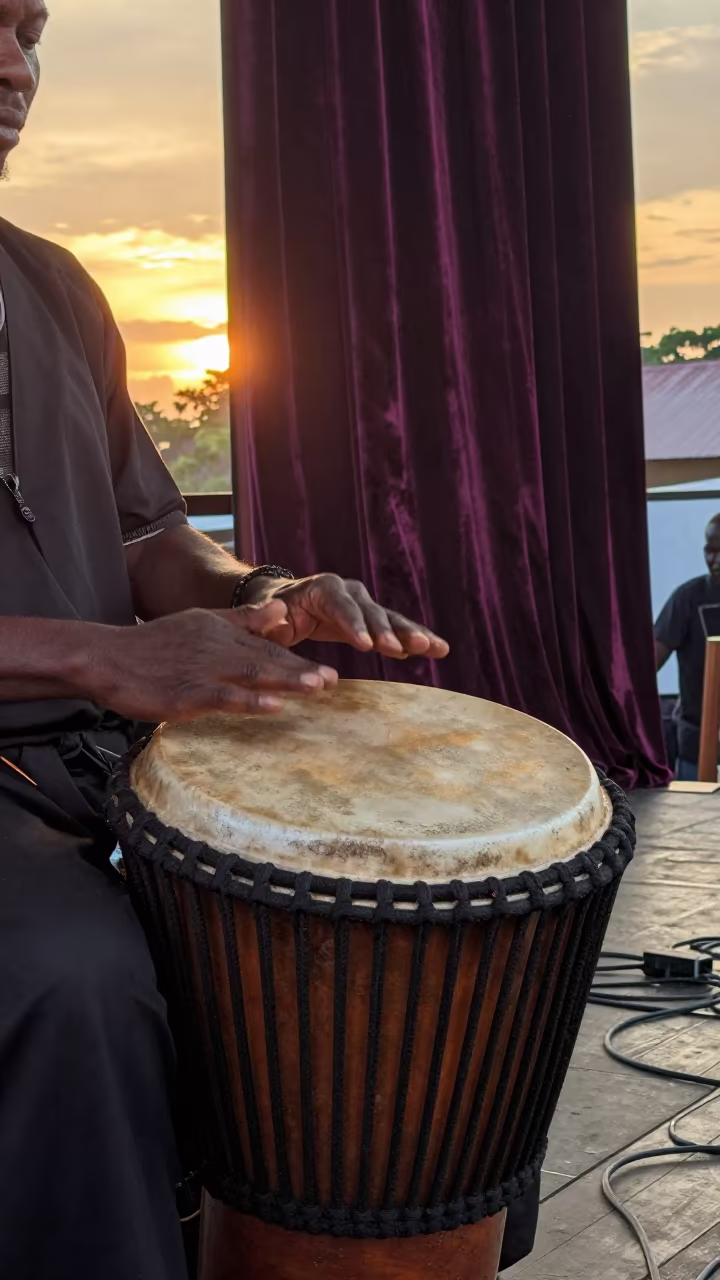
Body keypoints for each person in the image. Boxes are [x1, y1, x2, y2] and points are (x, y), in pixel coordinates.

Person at [0, 5, 454, 1278]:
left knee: (375, 897)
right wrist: (97, 657)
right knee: (72, 977)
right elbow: (114, 636)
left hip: (102, 759)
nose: (15, 68)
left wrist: (268, 589)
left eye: (31, 31)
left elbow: (150, 532)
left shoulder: (54, 286)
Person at [654, 513, 720, 780]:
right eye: (710, 551)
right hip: (696, 742)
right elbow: (648, 665)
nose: (716, 561)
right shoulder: (687, 598)